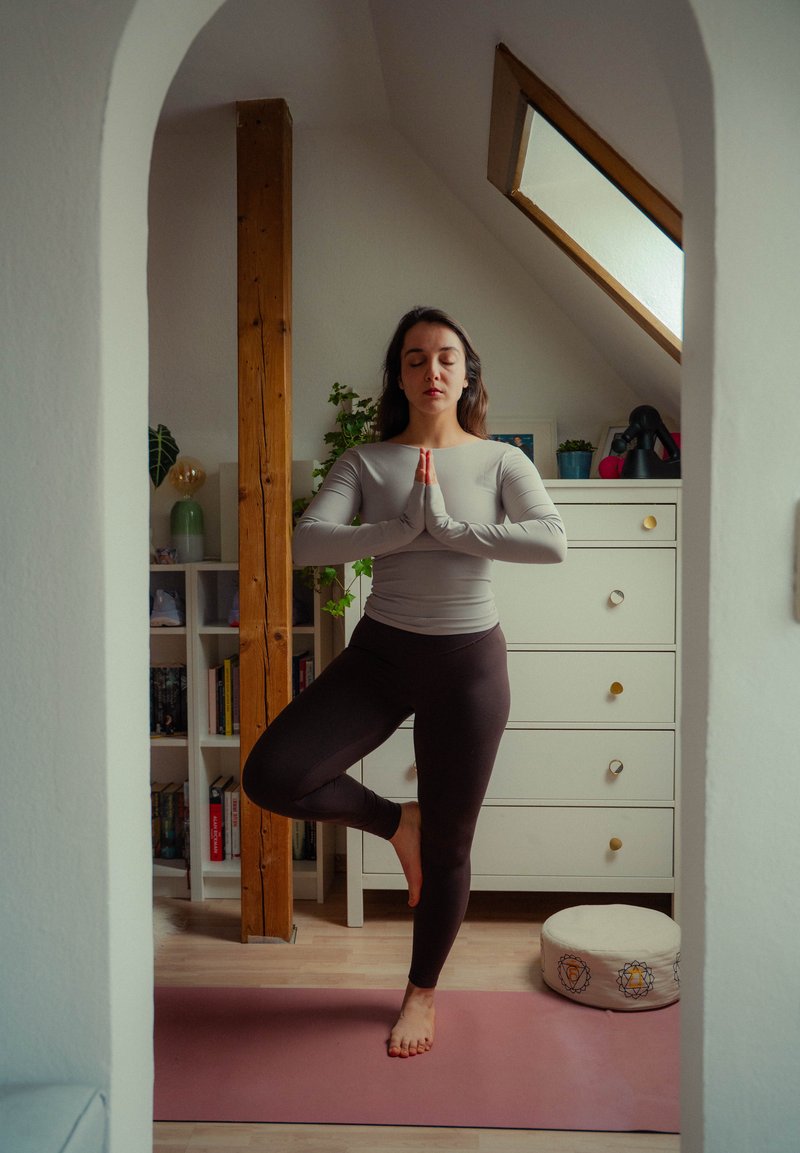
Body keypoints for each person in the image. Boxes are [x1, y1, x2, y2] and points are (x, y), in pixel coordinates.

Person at [241, 306, 567, 1057]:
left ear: (467, 372)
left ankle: (422, 992)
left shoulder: (500, 462)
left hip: (468, 665)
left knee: (452, 848)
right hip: (383, 654)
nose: (432, 371)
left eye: (446, 357)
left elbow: (553, 542)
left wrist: (452, 529)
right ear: (399, 373)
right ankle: (399, 823)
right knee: (273, 773)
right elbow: (307, 542)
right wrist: (403, 528)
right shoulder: (367, 460)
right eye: (415, 359)